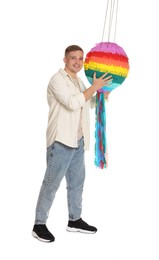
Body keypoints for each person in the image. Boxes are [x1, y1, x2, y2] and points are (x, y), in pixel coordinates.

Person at [32, 45, 112, 242]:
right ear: (65, 60)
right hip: (61, 141)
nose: (77, 62)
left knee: (77, 183)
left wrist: (102, 95)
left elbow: (85, 103)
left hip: (77, 140)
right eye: (73, 58)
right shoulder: (57, 79)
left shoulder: (79, 82)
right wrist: (94, 87)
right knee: (51, 183)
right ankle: (39, 224)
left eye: (80, 59)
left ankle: (74, 220)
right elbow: (72, 103)